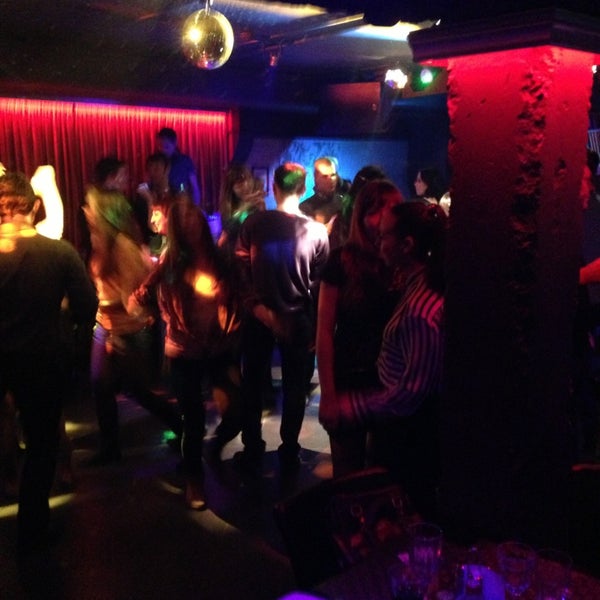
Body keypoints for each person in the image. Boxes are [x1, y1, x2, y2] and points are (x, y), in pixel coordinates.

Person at [319, 201, 447, 519]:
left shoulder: (420, 311)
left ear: (407, 245)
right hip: (400, 430)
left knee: (404, 515)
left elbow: (409, 395)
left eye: (386, 235)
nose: (378, 239)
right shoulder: (414, 285)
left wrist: (353, 406)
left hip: (408, 436)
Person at [0, 171, 97, 555]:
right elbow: (86, 307)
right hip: (42, 361)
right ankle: (32, 530)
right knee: (42, 446)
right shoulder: (59, 252)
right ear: (35, 206)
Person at [129, 195, 242, 510]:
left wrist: (231, 312)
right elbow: (139, 296)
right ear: (176, 228)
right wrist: (154, 314)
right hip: (184, 351)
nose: (190, 222)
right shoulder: (171, 263)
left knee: (236, 410)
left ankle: (214, 449)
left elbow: (238, 294)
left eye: (193, 215)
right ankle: (195, 480)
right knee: (193, 421)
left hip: (218, 347)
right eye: (182, 219)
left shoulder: (220, 258)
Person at [235, 162, 329, 475]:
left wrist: (259, 308)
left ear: (273, 188)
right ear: (303, 189)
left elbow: (240, 273)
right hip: (298, 318)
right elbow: (319, 285)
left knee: (252, 385)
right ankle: (289, 449)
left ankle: (252, 447)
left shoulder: (253, 224)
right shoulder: (317, 232)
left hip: (258, 317)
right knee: (295, 389)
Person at [83, 179, 181, 466]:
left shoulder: (123, 247)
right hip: (106, 326)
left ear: (104, 213)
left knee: (139, 390)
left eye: (90, 206)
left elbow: (135, 299)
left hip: (128, 330)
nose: (85, 210)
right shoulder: (100, 242)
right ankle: (110, 449)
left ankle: (182, 427)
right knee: (100, 387)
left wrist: (102, 305)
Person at [317, 179, 403, 478]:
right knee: (347, 474)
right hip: (349, 377)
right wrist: (328, 394)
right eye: (375, 210)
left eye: (391, 210)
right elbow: (324, 332)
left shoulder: (402, 263)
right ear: (360, 216)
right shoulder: (341, 260)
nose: (382, 219)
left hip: (391, 383)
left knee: (385, 471)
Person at [300, 156, 350, 249]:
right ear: (316, 178)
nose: (331, 180)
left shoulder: (344, 200)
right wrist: (323, 232)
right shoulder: (304, 208)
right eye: (325, 176)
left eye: (333, 175)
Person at [156, 127, 200, 206]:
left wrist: (196, 206)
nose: (163, 150)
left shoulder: (185, 161)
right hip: (161, 203)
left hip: (182, 202)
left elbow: (194, 187)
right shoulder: (156, 161)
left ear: (175, 143)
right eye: (160, 146)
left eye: (166, 147)